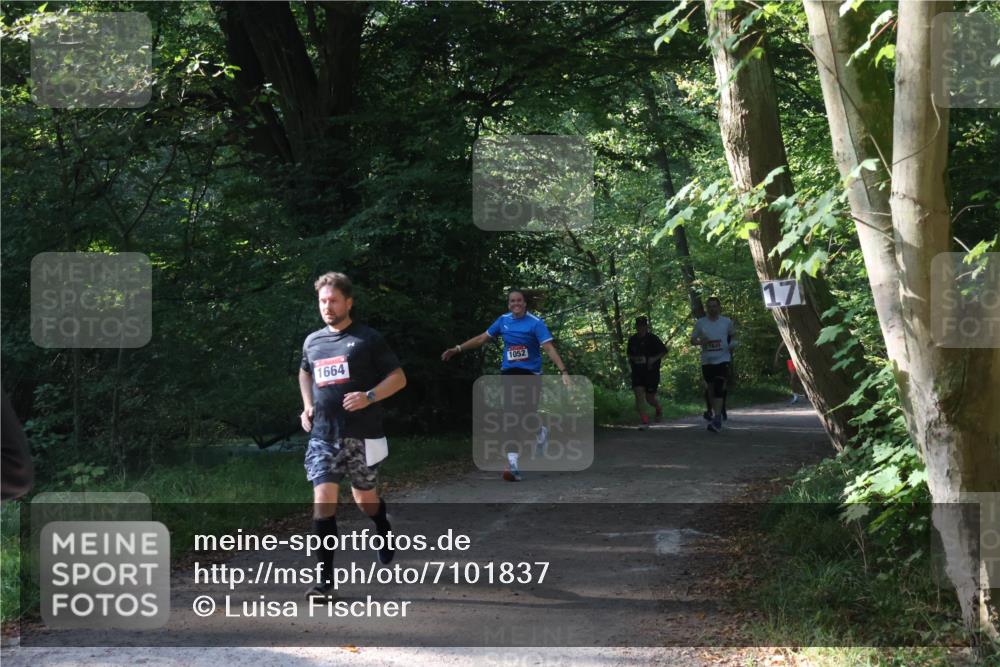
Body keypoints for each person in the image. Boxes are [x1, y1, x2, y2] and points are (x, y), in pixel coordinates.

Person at [299, 272, 407, 599]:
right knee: (323, 501)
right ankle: (324, 581)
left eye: (333, 300)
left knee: (365, 501)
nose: (327, 307)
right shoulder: (313, 342)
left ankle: (382, 526)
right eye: (322, 301)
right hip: (322, 436)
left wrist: (369, 396)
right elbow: (305, 372)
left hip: (362, 435)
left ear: (349, 302)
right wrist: (306, 406)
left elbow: (398, 378)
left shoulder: (367, 339)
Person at [441, 289, 570, 481]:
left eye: (519, 301)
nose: (515, 304)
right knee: (511, 415)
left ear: (525, 303)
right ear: (508, 304)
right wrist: (458, 348)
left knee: (527, 415)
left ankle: (540, 431)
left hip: (531, 375)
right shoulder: (503, 320)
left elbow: (549, 348)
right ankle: (513, 464)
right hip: (509, 373)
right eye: (512, 301)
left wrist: (564, 372)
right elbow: (481, 339)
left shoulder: (535, 323)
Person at [691, 296, 737, 433]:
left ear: (719, 307)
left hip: (723, 359)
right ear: (706, 308)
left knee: (718, 386)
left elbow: (733, 336)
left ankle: (717, 419)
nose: (712, 309)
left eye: (714, 306)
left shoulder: (726, 322)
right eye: (709, 306)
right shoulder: (700, 323)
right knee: (710, 389)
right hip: (707, 360)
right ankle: (714, 413)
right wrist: (701, 342)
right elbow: (692, 340)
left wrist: (732, 345)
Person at [626, 317, 667, 429]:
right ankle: (644, 420)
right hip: (637, 372)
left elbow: (664, 351)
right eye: (639, 326)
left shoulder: (653, 338)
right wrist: (634, 359)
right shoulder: (632, 340)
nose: (641, 328)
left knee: (649, 398)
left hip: (651, 372)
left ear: (646, 326)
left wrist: (653, 359)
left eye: (643, 325)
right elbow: (629, 354)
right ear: (636, 327)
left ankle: (658, 408)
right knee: (639, 395)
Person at [774, 340, 803, 404]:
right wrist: (776, 358)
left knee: (798, 378)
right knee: (793, 379)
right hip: (790, 360)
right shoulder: (786, 338)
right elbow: (779, 348)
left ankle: (804, 392)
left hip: (799, 359)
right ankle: (796, 396)